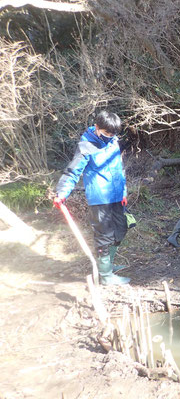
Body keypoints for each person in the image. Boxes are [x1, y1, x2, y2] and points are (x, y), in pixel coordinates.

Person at [54, 110, 130, 285]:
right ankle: (105, 276)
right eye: (106, 133)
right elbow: (73, 172)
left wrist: (123, 191)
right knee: (104, 235)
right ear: (97, 127)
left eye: (113, 134)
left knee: (121, 229)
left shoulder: (113, 142)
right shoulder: (85, 146)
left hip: (117, 196)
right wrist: (61, 193)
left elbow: (119, 169)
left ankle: (108, 264)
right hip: (99, 198)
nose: (110, 137)